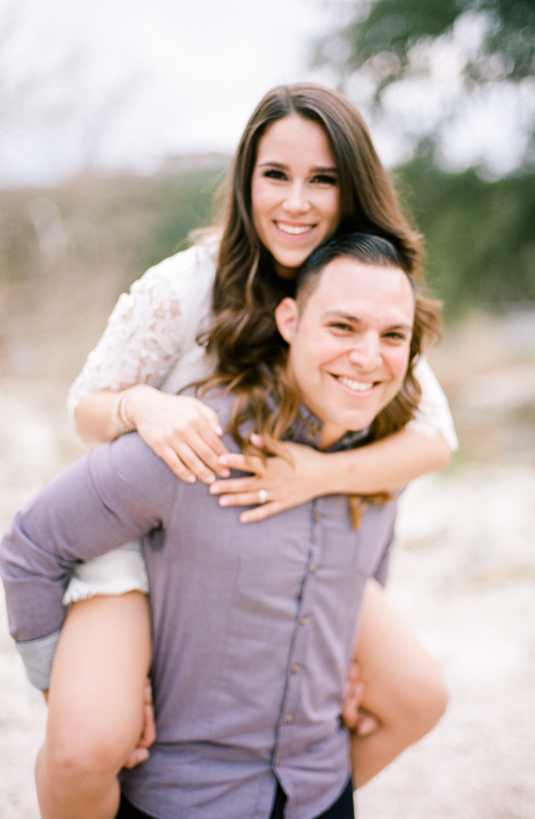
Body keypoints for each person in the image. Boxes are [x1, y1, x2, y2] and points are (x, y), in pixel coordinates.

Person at [32, 83, 453, 817]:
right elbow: (84, 408)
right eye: (275, 175)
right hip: (145, 513)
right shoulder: (185, 285)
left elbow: (430, 439)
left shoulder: (367, 296)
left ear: (351, 190)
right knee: (93, 738)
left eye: (322, 178)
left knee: (414, 693)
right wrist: (145, 407)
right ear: (245, 180)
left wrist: (316, 476)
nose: (296, 202)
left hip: (276, 508)